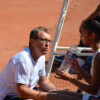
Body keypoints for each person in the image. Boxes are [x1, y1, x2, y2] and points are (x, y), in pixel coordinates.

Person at [45, 15, 100, 100]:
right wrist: (78, 68)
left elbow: (93, 89)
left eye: (82, 33)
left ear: (92, 36)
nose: (80, 36)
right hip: (95, 96)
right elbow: (93, 82)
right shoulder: (96, 53)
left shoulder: (98, 56)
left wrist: (70, 78)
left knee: (50, 96)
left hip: (96, 97)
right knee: (52, 93)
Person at [0, 26, 58, 100]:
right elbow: (22, 92)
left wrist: (56, 91)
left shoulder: (41, 57)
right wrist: (49, 95)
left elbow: (43, 80)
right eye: (43, 40)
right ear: (32, 42)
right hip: (5, 96)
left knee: (52, 93)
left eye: (49, 41)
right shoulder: (23, 59)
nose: (47, 44)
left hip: (20, 93)